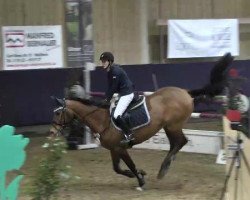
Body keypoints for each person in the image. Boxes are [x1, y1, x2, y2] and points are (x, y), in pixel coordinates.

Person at [100, 52, 135, 145]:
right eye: (102, 61)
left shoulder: (115, 71)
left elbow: (113, 87)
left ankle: (129, 134)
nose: (102, 63)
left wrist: (107, 99)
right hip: (122, 94)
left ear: (110, 62)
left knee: (116, 115)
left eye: (104, 61)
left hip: (127, 94)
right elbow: (109, 87)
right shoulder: (110, 71)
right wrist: (106, 98)